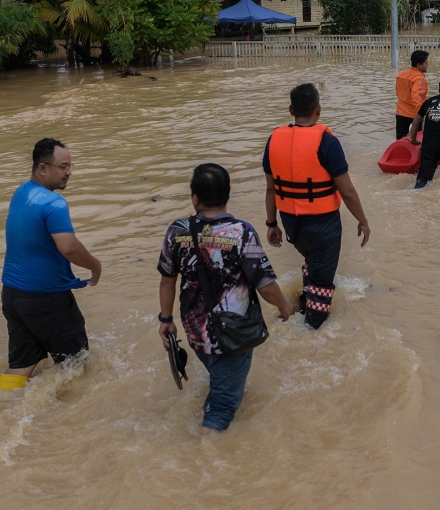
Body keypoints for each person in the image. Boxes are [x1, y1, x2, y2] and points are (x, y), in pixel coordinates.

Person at [158, 164, 293, 434]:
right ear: (229, 192)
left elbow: (167, 279)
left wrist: (166, 320)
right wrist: (285, 306)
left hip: (195, 329)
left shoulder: (177, 231)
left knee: (219, 377)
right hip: (233, 332)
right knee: (223, 407)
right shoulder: (241, 233)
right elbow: (265, 286)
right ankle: (204, 459)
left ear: (194, 197)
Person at [263, 83, 370, 329]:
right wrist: (363, 221)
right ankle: (313, 329)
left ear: (291, 110)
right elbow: (348, 191)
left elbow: (271, 189)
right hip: (323, 225)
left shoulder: (274, 139)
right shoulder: (328, 143)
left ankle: (304, 301)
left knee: (313, 262)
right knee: (322, 281)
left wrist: (271, 224)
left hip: (291, 225)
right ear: (318, 110)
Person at [0, 138, 102, 391]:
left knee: (23, 363)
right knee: (76, 366)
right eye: (63, 166)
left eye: (70, 166)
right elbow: (68, 247)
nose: (69, 172)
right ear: (43, 168)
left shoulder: (21, 192)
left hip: (13, 296)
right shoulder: (54, 203)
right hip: (47, 299)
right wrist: (95, 266)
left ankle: (1, 411)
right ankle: (69, 420)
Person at [395, 50, 430, 139]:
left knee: (400, 141)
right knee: (417, 140)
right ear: (419, 65)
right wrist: (421, 115)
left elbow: (398, 92)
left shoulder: (401, 75)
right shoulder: (419, 78)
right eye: (426, 63)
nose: (427, 65)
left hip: (400, 113)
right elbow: (416, 97)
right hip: (413, 115)